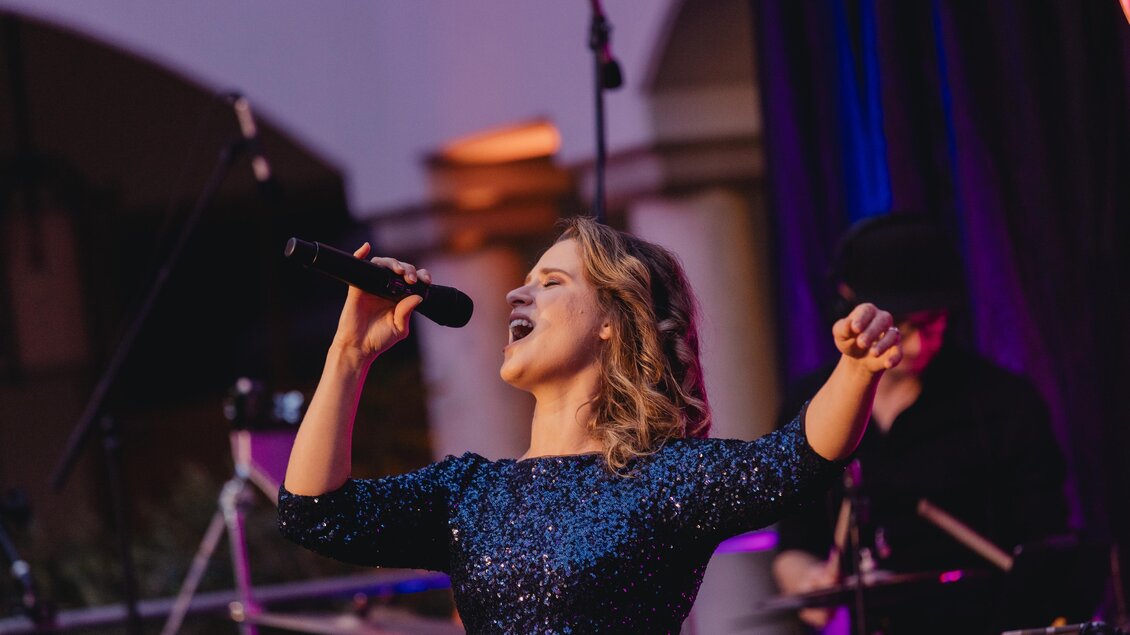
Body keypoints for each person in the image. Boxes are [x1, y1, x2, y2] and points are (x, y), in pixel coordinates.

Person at [278, 216, 902, 633]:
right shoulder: (467, 494)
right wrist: (349, 356)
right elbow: (313, 512)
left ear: (613, 321)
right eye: (524, 284)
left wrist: (854, 371)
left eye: (550, 283)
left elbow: (794, 462)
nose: (517, 297)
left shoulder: (661, 481)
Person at [771, 214, 1071, 634]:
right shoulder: (809, 406)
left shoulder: (1004, 404)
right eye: (901, 326)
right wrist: (808, 581)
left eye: (931, 324)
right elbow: (795, 545)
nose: (915, 345)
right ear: (850, 304)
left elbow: (1045, 547)